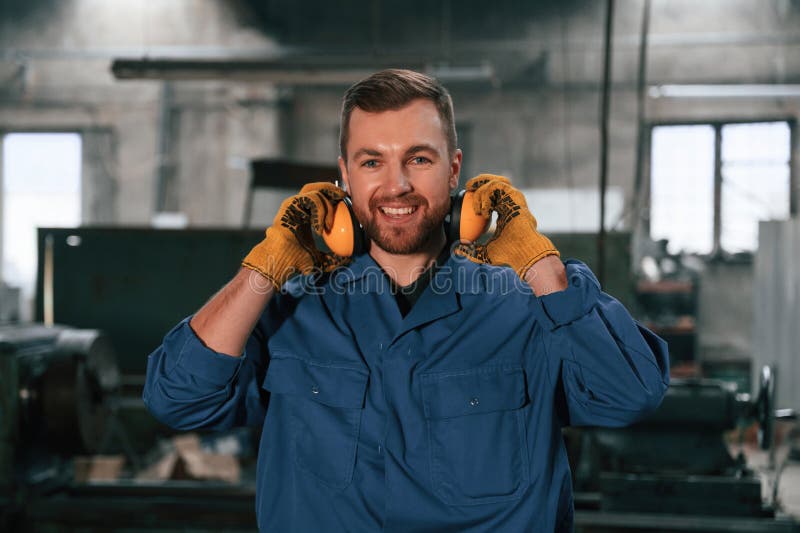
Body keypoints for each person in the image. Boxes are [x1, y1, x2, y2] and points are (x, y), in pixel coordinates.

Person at [143, 69, 669, 532]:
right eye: (372, 162)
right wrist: (264, 269)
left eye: (418, 158)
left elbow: (629, 395)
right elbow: (176, 399)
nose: (396, 186)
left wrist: (543, 267)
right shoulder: (292, 312)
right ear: (344, 176)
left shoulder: (529, 309)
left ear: (454, 168)